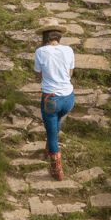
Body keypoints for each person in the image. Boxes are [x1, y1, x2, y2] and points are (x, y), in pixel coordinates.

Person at [34, 17, 75, 181]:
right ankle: (48, 150)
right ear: (59, 36)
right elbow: (70, 73)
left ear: (45, 36)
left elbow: (39, 74)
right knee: (56, 120)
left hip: (51, 99)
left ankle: (57, 171)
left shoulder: (40, 52)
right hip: (68, 99)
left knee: (52, 135)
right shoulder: (69, 50)